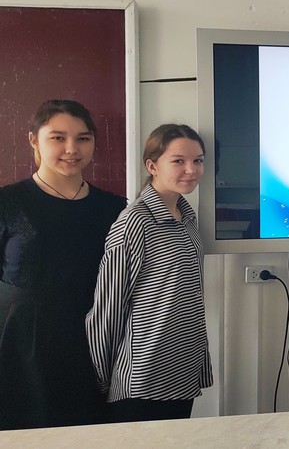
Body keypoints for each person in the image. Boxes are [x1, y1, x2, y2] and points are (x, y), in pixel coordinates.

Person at [0, 99, 127, 430]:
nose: (72, 149)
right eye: (58, 137)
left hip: (95, 346)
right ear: (34, 140)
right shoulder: (8, 203)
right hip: (22, 349)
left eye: (83, 138)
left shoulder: (115, 209)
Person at [85, 124, 212, 423]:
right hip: (143, 376)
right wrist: (100, 381)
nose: (191, 170)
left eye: (198, 160)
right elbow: (108, 306)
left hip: (182, 368)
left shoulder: (187, 217)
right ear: (152, 166)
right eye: (178, 161)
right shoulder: (134, 222)